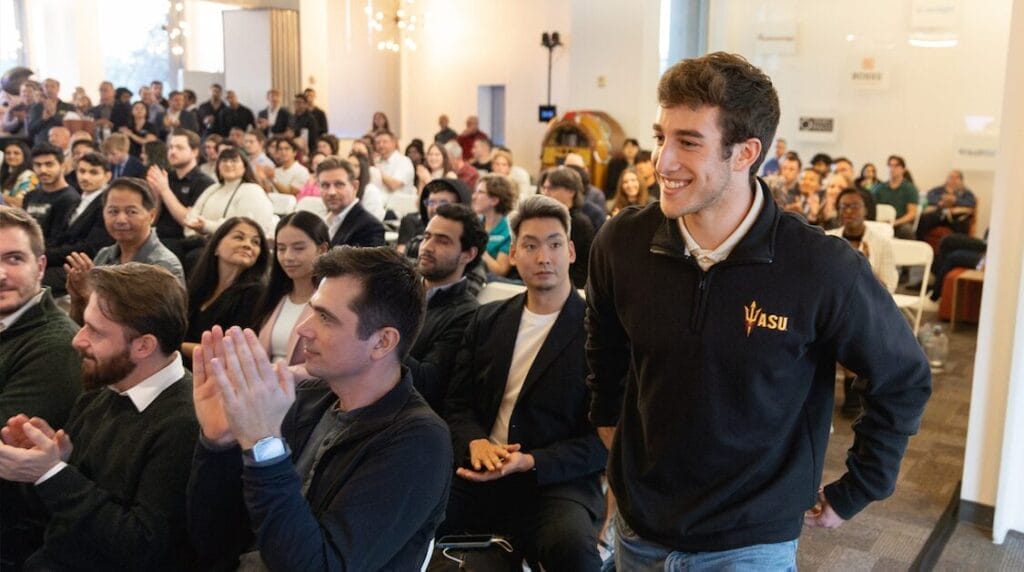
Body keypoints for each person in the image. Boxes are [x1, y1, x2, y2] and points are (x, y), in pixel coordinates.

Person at [586, 52, 931, 570]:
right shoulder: (622, 242)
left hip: (750, 543)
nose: (662, 161)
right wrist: (614, 437)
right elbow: (605, 352)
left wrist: (860, 487)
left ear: (745, 153)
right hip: (639, 530)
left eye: (688, 142)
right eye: (661, 137)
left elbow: (901, 376)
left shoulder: (819, 266)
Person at [187, 247, 452, 570]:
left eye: (326, 317)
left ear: (382, 342)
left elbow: (321, 566)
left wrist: (264, 446)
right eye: (312, 310)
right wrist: (218, 445)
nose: (304, 328)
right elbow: (211, 539)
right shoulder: (307, 398)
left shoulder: (419, 442)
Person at [439, 195, 606, 571]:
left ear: (572, 252)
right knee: (411, 516)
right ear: (513, 254)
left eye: (554, 244)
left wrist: (530, 461)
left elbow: (605, 439)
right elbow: (457, 404)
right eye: (530, 245)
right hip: (480, 470)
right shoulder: (486, 320)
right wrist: (474, 442)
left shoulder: (600, 334)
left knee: (573, 549)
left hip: (554, 481)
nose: (544, 257)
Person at [0, 263, 198, 570]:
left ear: (144, 345)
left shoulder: (185, 422)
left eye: (95, 331)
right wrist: (51, 461)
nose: (78, 340)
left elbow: (141, 545)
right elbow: (61, 514)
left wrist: (53, 474)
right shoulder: (107, 389)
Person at [0, 206, 81, 430]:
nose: (1, 275)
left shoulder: (58, 347)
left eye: (14, 259)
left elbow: (10, 441)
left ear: (40, 266)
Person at [65, 177, 185, 324]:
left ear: (152, 216)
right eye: (113, 211)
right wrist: (78, 298)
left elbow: (152, 329)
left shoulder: (163, 265)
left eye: (131, 212)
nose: (121, 219)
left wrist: (90, 296)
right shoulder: (104, 255)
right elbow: (82, 325)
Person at [407, 203, 487, 410]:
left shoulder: (468, 315)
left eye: (442, 241)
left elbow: (427, 384)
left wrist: (376, 335)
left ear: (468, 254)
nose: (427, 247)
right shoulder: (399, 290)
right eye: (426, 237)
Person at [826, 187, 898, 416]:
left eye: (854, 206)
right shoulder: (827, 241)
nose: (848, 211)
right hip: (831, 306)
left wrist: (863, 268)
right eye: (843, 206)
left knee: (852, 324)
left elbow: (887, 286)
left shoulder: (881, 244)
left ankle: (852, 386)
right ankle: (851, 387)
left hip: (868, 307)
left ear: (866, 209)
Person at [181, 217, 269, 364]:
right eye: (239, 237)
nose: (248, 245)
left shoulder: (255, 294)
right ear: (216, 246)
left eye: (255, 242)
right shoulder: (199, 286)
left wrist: (174, 348)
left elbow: (230, 352)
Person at [253, 212, 330, 364]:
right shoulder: (273, 297)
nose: (287, 256)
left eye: (298, 248)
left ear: (322, 250)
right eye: (281, 249)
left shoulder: (331, 303)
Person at [41, 152, 114, 295]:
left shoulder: (107, 204)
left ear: (107, 176)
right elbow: (59, 237)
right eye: (82, 171)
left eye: (93, 172)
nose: (85, 177)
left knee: (30, 278)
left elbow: (89, 248)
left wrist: (46, 255)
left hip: (86, 267)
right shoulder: (76, 200)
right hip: (63, 260)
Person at [163, 147, 275, 240]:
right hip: (201, 242)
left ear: (245, 166)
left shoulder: (253, 190)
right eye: (224, 161)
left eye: (234, 161)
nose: (228, 164)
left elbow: (244, 227)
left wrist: (207, 226)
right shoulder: (212, 189)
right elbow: (192, 216)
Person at [539, 166, 594, 289]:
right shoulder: (546, 220)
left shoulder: (579, 223)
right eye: (544, 188)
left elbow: (581, 270)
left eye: (552, 188)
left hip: (570, 288)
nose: (545, 193)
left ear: (570, 191)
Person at [317, 157, 386, 248]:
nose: (331, 192)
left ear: (355, 187)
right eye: (325, 185)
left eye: (339, 184)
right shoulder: (322, 223)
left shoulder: (370, 227)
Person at [399, 177, 473, 257]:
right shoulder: (413, 235)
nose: (435, 208)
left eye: (443, 203)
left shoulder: (469, 240)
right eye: (431, 202)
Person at [22, 143, 80, 242]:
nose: (43, 170)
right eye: (38, 165)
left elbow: (58, 240)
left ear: (62, 165)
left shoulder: (70, 198)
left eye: (49, 164)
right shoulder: (30, 195)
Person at [471, 174, 515, 279]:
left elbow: (500, 271)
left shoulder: (508, 231)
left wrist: (477, 247)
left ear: (494, 200)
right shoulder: (474, 223)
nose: (473, 196)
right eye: (475, 192)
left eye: (480, 192)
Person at [917, 169, 976, 240]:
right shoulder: (938, 190)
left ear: (961, 180)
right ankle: (921, 243)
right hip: (939, 214)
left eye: (956, 178)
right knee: (924, 219)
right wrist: (940, 201)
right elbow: (928, 198)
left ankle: (958, 248)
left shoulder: (966, 192)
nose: (953, 180)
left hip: (955, 216)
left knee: (963, 225)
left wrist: (955, 200)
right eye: (951, 177)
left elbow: (971, 203)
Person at [875, 154, 919, 239]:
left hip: (900, 223)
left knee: (907, 231)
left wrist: (894, 222)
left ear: (903, 169)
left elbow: (912, 213)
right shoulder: (880, 188)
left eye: (896, 166)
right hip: (881, 223)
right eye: (890, 165)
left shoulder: (909, 188)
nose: (892, 169)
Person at [374, 130, 416, 195]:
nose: (381, 145)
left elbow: (394, 185)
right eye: (378, 142)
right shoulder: (376, 161)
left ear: (394, 143)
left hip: (398, 203)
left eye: (385, 142)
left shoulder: (404, 161)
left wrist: (375, 171)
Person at [1, 140, 38, 208]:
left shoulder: (29, 176)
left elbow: (21, 202)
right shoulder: (4, 174)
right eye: (8, 153)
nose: (11, 156)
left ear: (25, 156)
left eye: (16, 153)